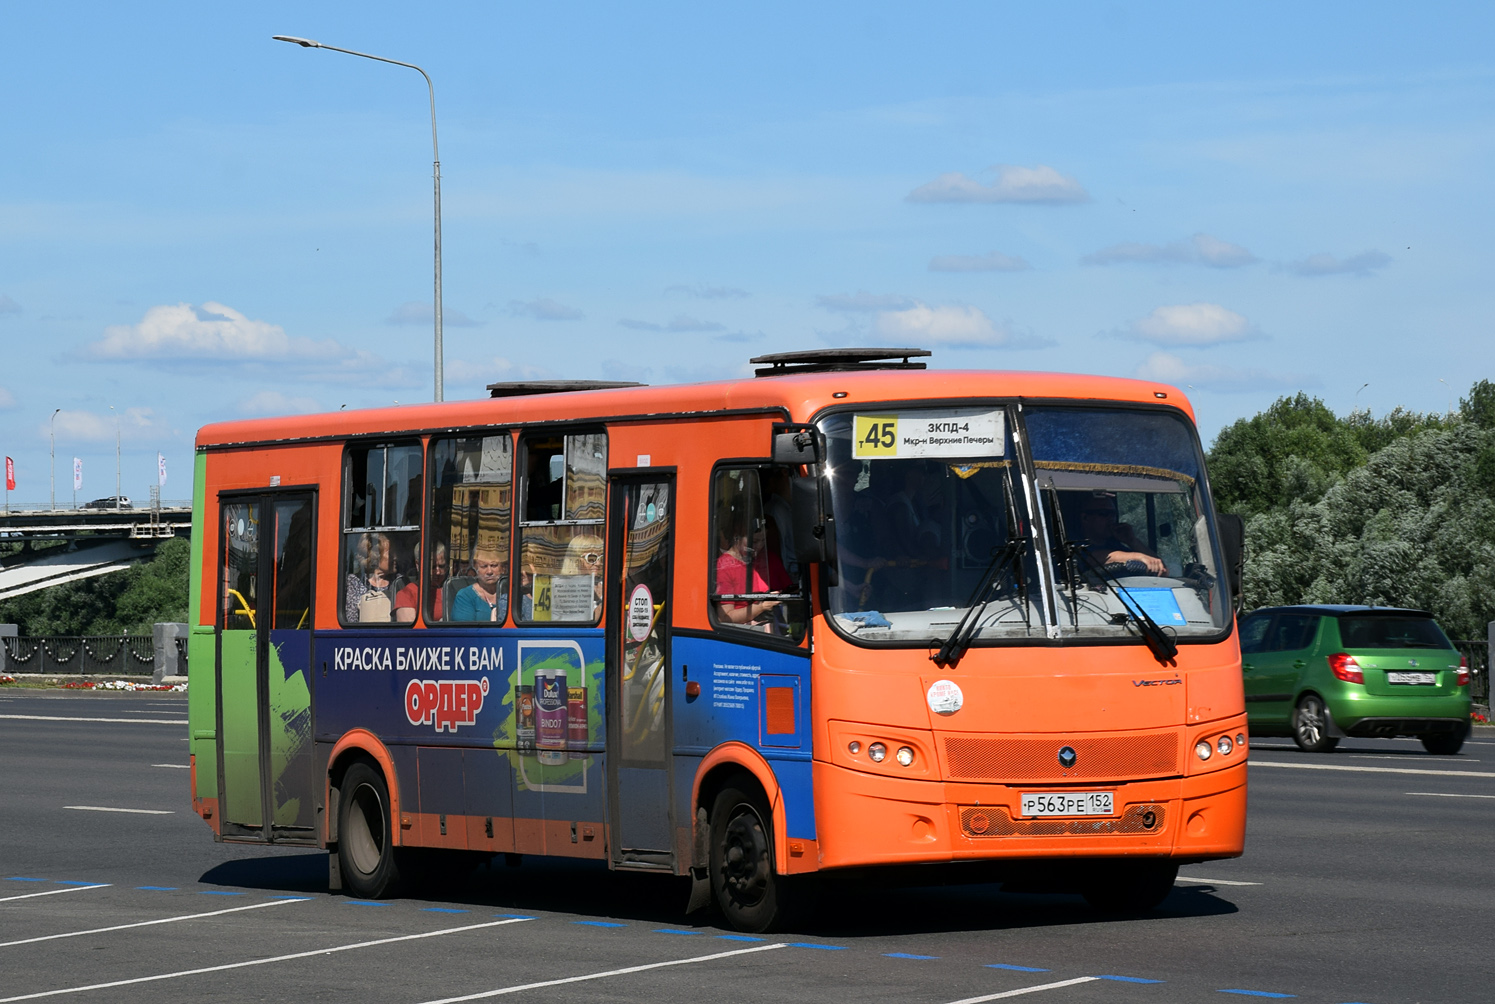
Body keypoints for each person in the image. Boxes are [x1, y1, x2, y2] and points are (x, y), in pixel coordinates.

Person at [715, 510, 793, 630]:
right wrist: (761, 607)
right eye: (754, 541)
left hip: (777, 627)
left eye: (763, 541)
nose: (759, 547)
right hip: (744, 632)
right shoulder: (724, 567)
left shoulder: (769, 558)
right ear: (737, 537)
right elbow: (725, 617)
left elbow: (789, 591)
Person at [1077, 492, 1165, 574]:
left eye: (1113, 514)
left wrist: (1132, 541)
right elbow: (1095, 558)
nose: (1111, 518)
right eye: (1104, 513)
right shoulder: (1076, 545)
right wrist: (1139, 557)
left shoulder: (1115, 545)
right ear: (1085, 518)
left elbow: (1161, 568)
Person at [346, 532, 394, 622]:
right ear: (377, 556)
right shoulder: (356, 581)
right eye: (390, 554)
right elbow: (351, 618)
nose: (395, 557)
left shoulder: (397, 582)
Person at [451, 546, 507, 622]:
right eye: (484, 566)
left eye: (494, 565)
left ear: (503, 568)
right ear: (476, 567)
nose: (489, 571)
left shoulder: (511, 593)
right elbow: (465, 632)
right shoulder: (465, 596)